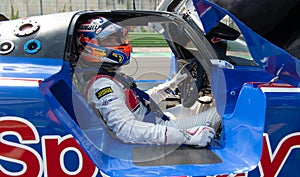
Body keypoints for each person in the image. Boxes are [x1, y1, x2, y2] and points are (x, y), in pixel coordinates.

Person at [73, 16, 221, 147]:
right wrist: (186, 136)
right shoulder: (102, 85)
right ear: (90, 46)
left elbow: (141, 102)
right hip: (154, 127)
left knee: (201, 107)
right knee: (218, 114)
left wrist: (173, 84)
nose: (120, 44)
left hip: (153, 120)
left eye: (118, 39)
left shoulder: (107, 77)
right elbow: (127, 130)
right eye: (110, 40)